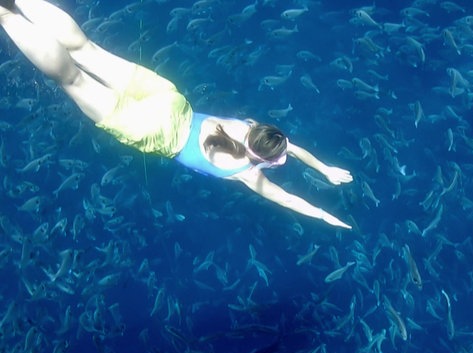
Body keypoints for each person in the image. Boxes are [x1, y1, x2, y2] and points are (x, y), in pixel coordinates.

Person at [0, 0, 353, 229]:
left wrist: (324, 167)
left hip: (170, 100)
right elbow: (288, 199)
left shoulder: (250, 128)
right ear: (262, 159)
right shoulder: (247, 174)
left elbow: (290, 148)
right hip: (154, 132)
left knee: (86, 49)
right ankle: (4, 14)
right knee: (72, 79)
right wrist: (324, 215)